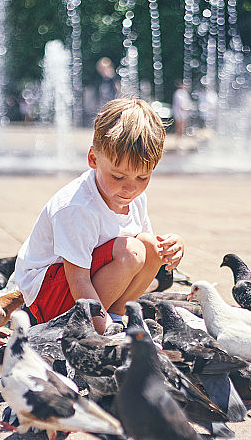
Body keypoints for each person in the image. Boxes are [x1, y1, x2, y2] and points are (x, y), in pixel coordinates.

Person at [13, 98, 184, 334]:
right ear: (93, 159)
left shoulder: (133, 197)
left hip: (86, 286)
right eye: (118, 176)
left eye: (142, 178)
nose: (130, 188)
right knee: (130, 251)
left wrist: (172, 247)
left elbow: (147, 248)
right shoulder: (77, 207)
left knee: (150, 245)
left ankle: (116, 314)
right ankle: (94, 326)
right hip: (49, 298)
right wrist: (102, 334)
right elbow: (78, 279)